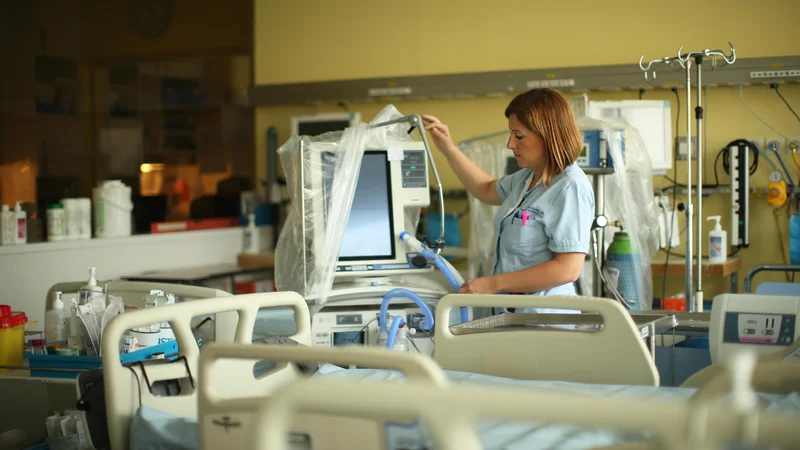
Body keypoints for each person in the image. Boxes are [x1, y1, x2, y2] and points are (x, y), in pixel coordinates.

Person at [422, 88, 594, 310]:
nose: (510, 144)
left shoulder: (569, 187)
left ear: (547, 135)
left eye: (518, 135)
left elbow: (567, 269)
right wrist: (448, 149)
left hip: (544, 321)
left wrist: (493, 284)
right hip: (514, 315)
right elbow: (485, 188)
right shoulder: (528, 178)